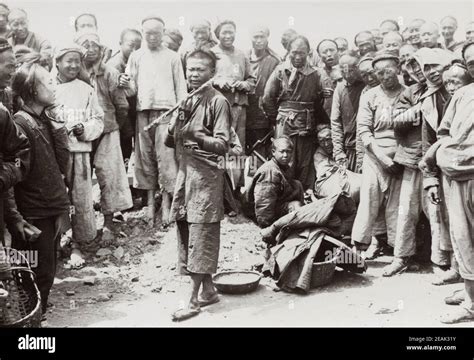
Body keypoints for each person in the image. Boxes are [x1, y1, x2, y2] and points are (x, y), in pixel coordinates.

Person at [165, 49, 231, 322]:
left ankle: (191, 299)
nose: (193, 74)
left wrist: (198, 135)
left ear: (211, 73)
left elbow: (223, 145)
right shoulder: (187, 99)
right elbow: (171, 142)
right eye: (190, 69)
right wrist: (175, 123)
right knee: (186, 230)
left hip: (207, 178)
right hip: (185, 175)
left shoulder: (218, 102)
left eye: (200, 70)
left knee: (202, 233)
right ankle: (208, 290)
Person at [10, 53, 71, 320]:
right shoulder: (21, 123)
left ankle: (36, 317)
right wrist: (20, 218)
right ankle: (31, 322)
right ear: (33, 90)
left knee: (46, 270)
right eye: (48, 82)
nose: (54, 85)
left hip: (50, 207)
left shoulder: (44, 119)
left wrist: (59, 128)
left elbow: (61, 164)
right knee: (36, 272)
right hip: (35, 212)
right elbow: (16, 176)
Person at [385, 48, 454, 277]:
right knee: (406, 211)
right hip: (413, 160)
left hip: (437, 161)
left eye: (422, 66)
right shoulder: (412, 92)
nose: (419, 71)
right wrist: (417, 110)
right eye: (414, 67)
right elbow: (394, 121)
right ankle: (401, 257)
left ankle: (440, 261)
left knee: (436, 213)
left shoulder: (448, 91)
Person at [122, 16, 187, 226]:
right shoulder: (136, 56)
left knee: (167, 158)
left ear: (163, 32)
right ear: (142, 33)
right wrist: (125, 83)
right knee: (145, 157)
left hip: (166, 113)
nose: (151, 37)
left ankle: (167, 203)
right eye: (147, 33)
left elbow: (181, 90)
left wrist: (178, 114)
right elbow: (132, 90)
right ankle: (151, 202)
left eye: (156, 33)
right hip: (143, 113)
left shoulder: (172, 57)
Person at [428, 41, 474, 324]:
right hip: (456, 178)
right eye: (470, 62)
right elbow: (443, 133)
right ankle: (471, 299)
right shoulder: (463, 94)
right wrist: (440, 158)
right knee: (464, 238)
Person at [76, 31, 133, 243]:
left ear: (101, 49)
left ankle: (109, 222)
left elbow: (122, 105)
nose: (90, 49)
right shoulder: (74, 72)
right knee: (80, 180)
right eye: (85, 45)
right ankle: (83, 229)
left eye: (94, 45)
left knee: (109, 176)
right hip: (81, 134)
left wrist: (111, 125)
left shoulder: (109, 73)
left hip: (107, 131)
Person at [55, 44, 104, 268]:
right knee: (57, 197)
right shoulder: (46, 87)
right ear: (57, 62)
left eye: (77, 61)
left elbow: (98, 119)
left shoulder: (86, 90)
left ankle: (77, 244)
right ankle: (56, 241)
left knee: (79, 199)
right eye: (68, 60)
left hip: (79, 153)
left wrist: (85, 128)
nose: (73, 65)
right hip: (53, 155)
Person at [351, 53, 405, 255]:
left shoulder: (409, 94)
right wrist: (382, 158)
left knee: (397, 206)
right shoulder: (369, 96)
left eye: (388, 70)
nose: (384, 76)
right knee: (369, 201)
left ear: (398, 69)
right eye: (379, 72)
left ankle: (397, 250)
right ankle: (358, 249)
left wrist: (398, 158)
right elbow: (364, 131)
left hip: (401, 159)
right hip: (374, 156)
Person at [263, 35, 330, 190]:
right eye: (294, 52)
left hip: (307, 124)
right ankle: (282, 194)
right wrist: (277, 119)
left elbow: (326, 97)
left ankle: (304, 194)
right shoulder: (280, 71)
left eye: (302, 52)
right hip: (284, 124)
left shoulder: (317, 73)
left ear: (309, 52)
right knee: (285, 157)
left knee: (305, 161)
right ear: (288, 52)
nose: (298, 56)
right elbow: (267, 98)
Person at [211, 20, 256, 193]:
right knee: (219, 146)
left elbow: (252, 81)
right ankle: (219, 191)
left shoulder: (242, 54)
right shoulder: (212, 53)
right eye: (224, 33)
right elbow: (204, 81)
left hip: (238, 108)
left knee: (237, 149)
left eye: (231, 32)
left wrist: (242, 85)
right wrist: (220, 83)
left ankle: (236, 190)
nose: (228, 36)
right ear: (217, 35)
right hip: (217, 109)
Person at [0, 38, 30, 246]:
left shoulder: (3, 108)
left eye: (15, 65)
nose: (14, 71)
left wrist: (3, 177)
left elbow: (19, 155)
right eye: (10, 65)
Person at [246, 136, 304, 228]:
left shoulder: (283, 167)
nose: (285, 155)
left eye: (288, 152)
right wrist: (268, 228)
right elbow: (264, 204)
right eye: (282, 151)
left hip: (275, 205)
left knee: (297, 185)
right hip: (261, 213)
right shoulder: (270, 171)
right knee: (296, 206)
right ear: (273, 152)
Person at [246, 26, 279, 173]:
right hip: (241, 113)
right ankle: (234, 190)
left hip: (261, 115)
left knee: (258, 154)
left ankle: (256, 188)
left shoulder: (273, 61)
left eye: (262, 37)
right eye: (255, 37)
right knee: (235, 154)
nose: (259, 41)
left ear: (267, 38)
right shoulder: (243, 57)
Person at [107, 28, 142, 164]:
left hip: (133, 107)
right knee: (124, 140)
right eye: (130, 46)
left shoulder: (138, 59)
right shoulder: (114, 64)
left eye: (137, 47)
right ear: (120, 43)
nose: (134, 50)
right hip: (121, 111)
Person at [330, 53, 365, 173]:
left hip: (368, 147)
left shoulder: (368, 85)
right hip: (350, 148)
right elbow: (335, 122)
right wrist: (338, 151)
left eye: (352, 70)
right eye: (344, 71)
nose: (348, 75)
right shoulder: (340, 89)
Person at [313, 128, 361, 203]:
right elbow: (324, 174)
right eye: (322, 141)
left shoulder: (341, 148)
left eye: (328, 139)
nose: (326, 144)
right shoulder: (318, 154)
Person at [317, 39, 341, 117]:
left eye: (332, 50)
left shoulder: (347, 69)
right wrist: (320, 94)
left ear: (338, 51)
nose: (329, 54)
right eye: (324, 52)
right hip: (326, 116)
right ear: (319, 55)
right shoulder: (317, 74)